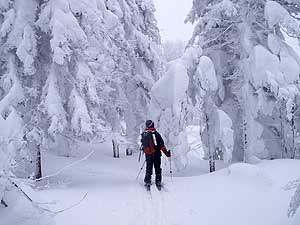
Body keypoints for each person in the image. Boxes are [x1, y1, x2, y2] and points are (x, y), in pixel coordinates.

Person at [141, 120, 171, 190]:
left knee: (149, 167)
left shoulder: (144, 134)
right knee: (157, 168)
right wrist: (167, 154)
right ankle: (158, 181)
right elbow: (162, 145)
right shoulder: (156, 134)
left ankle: (147, 181)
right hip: (157, 154)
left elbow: (142, 145)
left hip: (148, 154)